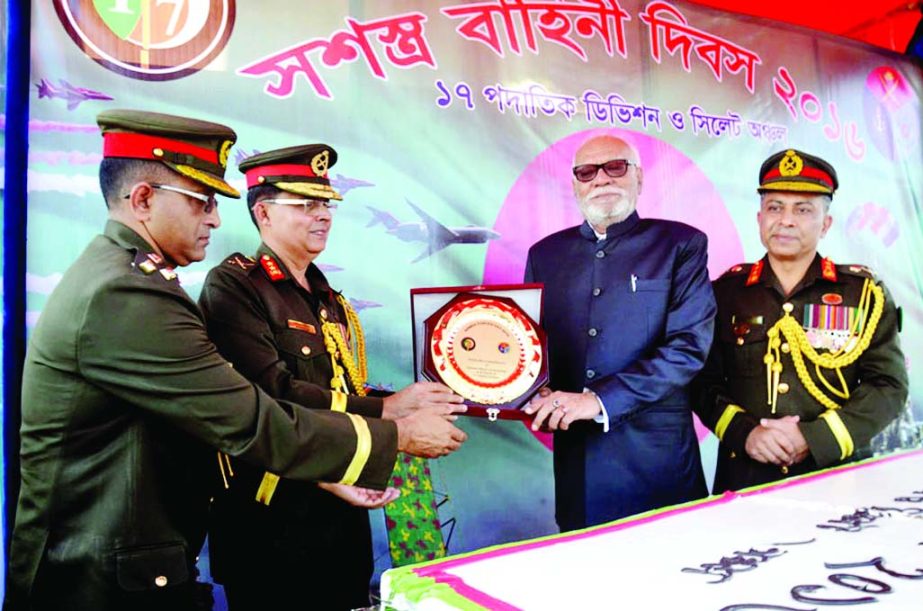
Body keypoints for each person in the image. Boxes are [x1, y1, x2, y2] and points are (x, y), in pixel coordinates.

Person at [4, 110, 467, 611]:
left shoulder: (134, 280)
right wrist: (396, 431)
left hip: (135, 564)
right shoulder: (128, 292)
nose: (216, 219)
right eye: (201, 201)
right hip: (105, 578)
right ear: (142, 199)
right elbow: (250, 415)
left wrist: (383, 414)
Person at [198, 144, 465, 610]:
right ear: (263, 213)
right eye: (305, 205)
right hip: (270, 524)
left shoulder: (327, 296)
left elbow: (337, 390)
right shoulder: (236, 285)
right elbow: (270, 394)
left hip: (342, 510)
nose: (322, 215)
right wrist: (388, 413)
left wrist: (405, 399)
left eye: (327, 204)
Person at [522, 134, 714, 532]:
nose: (601, 179)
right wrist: (531, 390)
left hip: (657, 460)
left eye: (616, 167)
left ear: (639, 178)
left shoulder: (680, 244)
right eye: (587, 172)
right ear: (575, 184)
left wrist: (599, 400)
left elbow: (687, 348)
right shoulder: (545, 255)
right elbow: (529, 347)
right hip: (579, 460)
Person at [693, 149, 908, 493]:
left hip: (836, 477)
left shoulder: (863, 293)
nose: (786, 220)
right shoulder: (726, 293)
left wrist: (815, 438)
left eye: (803, 209)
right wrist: (746, 434)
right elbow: (702, 383)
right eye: (775, 207)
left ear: (825, 224)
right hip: (745, 478)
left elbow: (888, 386)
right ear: (759, 217)